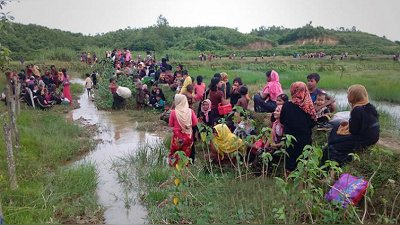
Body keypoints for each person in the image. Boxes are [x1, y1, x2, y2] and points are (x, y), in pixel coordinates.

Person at [325, 85, 379, 168]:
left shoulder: (357, 110)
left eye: (349, 93)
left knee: (334, 145)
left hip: (365, 139)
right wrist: (348, 123)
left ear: (354, 95)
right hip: (373, 137)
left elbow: (353, 131)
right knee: (338, 128)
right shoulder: (369, 106)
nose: (347, 96)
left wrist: (346, 126)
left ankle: (332, 171)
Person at [280, 82, 316, 172]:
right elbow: (313, 123)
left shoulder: (287, 105)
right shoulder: (309, 107)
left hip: (290, 139)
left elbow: (282, 121)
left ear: (292, 91)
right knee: (303, 162)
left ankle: (288, 182)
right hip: (305, 139)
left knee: (290, 162)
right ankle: (301, 183)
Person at [168, 94, 198, 165]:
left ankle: (174, 165)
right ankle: (185, 167)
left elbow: (171, 124)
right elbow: (195, 123)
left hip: (177, 137)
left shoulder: (173, 112)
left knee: (175, 152)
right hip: (188, 136)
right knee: (186, 152)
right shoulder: (190, 111)